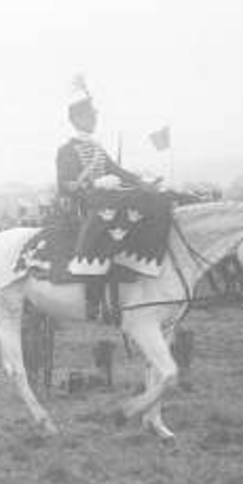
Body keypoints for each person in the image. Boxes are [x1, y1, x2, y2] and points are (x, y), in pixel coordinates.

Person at [54, 77, 147, 321]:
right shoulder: (67, 150)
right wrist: (94, 183)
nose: (95, 119)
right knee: (104, 234)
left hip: (103, 204)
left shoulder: (97, 149)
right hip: (81, 208)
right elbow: (65, 185)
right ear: (77, 119)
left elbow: (117, 171)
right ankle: (93, 300)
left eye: (94, 115)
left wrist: (143, 181)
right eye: (90, 116)